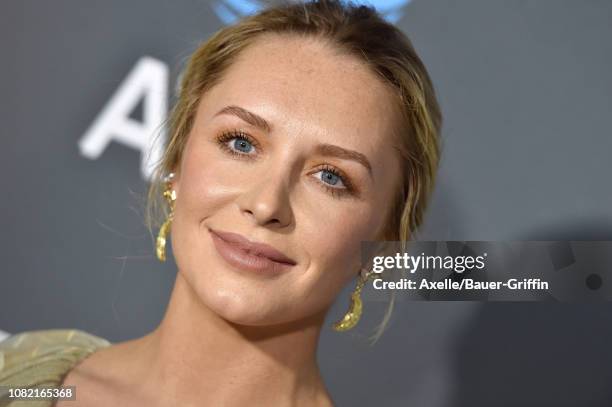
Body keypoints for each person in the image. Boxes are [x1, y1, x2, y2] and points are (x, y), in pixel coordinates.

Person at [0, 0, 441, 405]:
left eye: (331, 177)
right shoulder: (15, 376)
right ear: (176, 157)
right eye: (241, 143)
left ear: (383, 237)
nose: (266, 204)